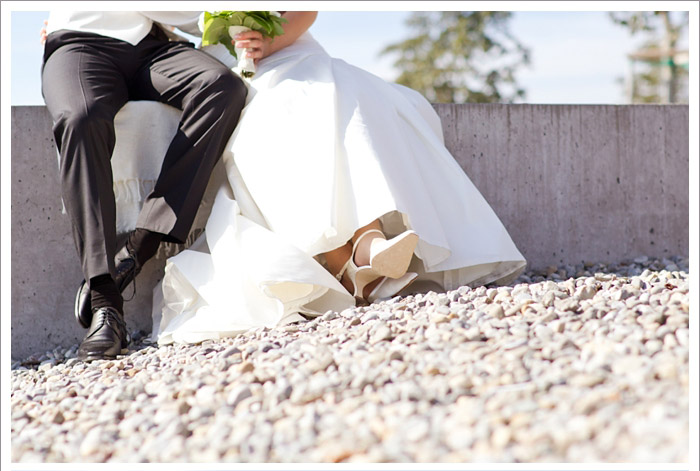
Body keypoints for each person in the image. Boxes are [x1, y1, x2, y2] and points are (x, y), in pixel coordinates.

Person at [155, 12, 526, 343]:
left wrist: (270, 39)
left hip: (297, 52)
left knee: (347, 96)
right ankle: (352, 264)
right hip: (229, 73)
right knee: (282, 117)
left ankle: (367, 243)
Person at [40, 8, 248, 360]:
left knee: (221, 87)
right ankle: (106, 305)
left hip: (151, 46)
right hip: (78, 43)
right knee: (81, 118)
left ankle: (140, 247)